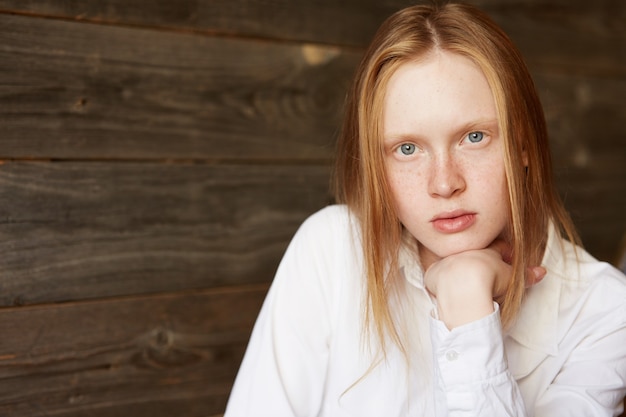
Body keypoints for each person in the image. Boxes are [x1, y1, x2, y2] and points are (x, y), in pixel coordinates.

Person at [224, 2, 626, 416]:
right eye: (407, 148)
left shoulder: (605, 313)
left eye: (474, 137)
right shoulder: (331, 251)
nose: (444, 183)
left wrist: (467, 305)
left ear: (523, 144)